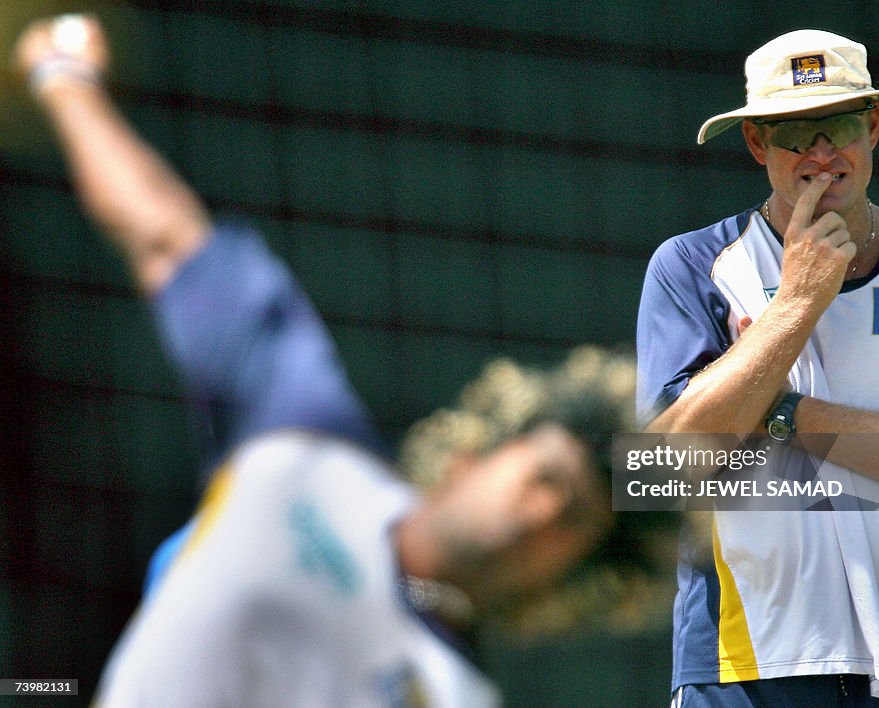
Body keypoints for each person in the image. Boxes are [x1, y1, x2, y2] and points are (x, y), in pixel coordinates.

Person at [15, 14, 673, 706]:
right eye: (545, 476)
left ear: (561, 581)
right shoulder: (304, 433)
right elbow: (168, 241)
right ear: (474, 452)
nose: (540, 511)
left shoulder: (458, 696)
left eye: (571, 520)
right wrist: (64, 80)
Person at [636, 29, 879, 708]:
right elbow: (659, 469)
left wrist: (783, 413)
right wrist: (797, 306)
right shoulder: (691, 265)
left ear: (872, 127)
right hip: (745, 660)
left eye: (837, 124)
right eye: (793, 133)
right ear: (757, 144)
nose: (820, 154)